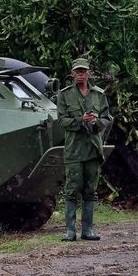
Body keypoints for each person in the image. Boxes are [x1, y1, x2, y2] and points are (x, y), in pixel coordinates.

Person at [57, 56, 112, 241]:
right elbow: (62, 120)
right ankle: (70, 231)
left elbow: (107, 118)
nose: (80, 75)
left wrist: (96, 122)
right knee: (71, 190)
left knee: (90, 191)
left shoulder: (98, 94)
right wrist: (80, 121)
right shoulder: (65, 95)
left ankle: (87, 230)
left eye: (83, 71)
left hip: (93, 149)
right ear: (72, 74)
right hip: (74, 150)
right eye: (77, 72)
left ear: (89, 73)